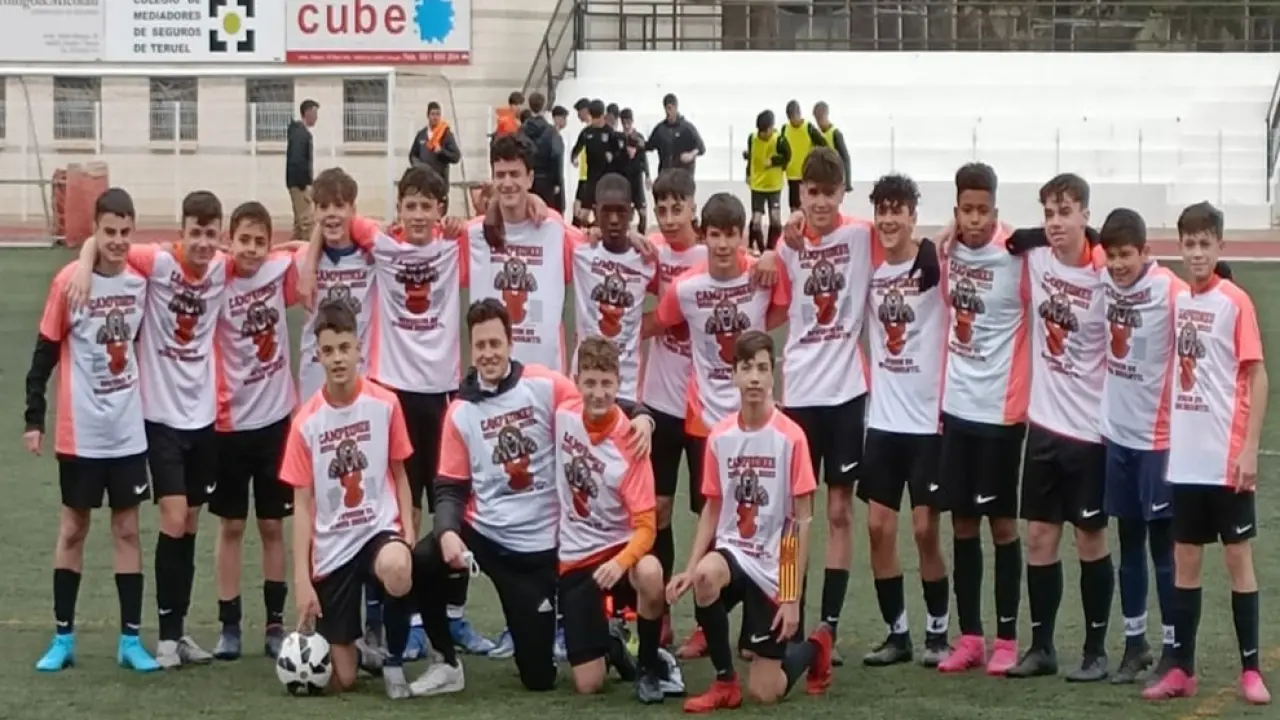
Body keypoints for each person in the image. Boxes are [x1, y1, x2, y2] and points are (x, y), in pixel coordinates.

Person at [408, 299, 654, 696]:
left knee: (538, 679)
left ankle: (605, 643)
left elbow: (596, 397)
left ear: (510, 343)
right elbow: (450, 485)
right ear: (471, 349)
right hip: (483, 532)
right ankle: (445, 661)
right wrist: (448, 530)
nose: (488, 353)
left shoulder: (542, 385)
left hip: (535, 551)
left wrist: (642, 414)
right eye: (480, 345)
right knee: (424, 557)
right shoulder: (460, 410)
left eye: (495, 343)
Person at [331, 166, 495, 657]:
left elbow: (503, 219)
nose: (419, 215)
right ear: (399, 209)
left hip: (443, 395)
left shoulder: (454, 244)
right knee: (400, 508)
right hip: (394, 393)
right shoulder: (383, 244)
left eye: (428, 206)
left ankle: (453, 615)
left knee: (454, 504)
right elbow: (338, 219)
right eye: (411, 205)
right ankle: (398, 620)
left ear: (441, 210)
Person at [69, 190, 232, 668]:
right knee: (174, 518)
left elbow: (268, 252)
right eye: (195, 233)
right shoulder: (157, 262)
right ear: (181, 232)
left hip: (204, 418)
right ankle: (165, 637)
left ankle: (179, 632)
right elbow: (105, 243)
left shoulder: (222, 268)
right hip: (160, 418)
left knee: (191, 523)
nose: (203, 243)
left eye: (211, 234)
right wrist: (83, 264)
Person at [26, 188, 160, 674]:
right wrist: (34, 419)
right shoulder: (69, 283)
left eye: (125, 232)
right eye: (109, 232)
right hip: (80, 434)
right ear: (96, 232)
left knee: (127, 530)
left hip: (127, 433)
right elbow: (44, 353)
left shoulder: (141, 283)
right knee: (73, 529)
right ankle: (63, 638)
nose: (118, 241)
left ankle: (130, 641)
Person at [645, 192, 784, 659]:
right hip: (707, 425)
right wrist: (610, 334)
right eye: (716, 235)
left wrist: (770, 254)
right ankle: (711, 623)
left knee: (769, 518)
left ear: (744, 236)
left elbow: (781, 309)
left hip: (759, 422)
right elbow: (660, 321)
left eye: (732, 235)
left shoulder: (762, 276)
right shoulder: (686, 288)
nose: (723, 245)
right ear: (705, 237)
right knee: (717, 522)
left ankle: (775, 620)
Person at [1145, 202, 1272, 706]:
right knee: (1186, 562)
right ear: (1180, 247)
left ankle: (1251, 671)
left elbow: (1257, 376)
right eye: (1189, 244)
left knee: (1238, 559)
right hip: (1186, 460)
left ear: (1220, 245)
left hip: (1226, 459)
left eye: (1205, 244)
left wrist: (1249, 449)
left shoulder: (1235, 302)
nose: (1196, 253)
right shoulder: (1179, 300)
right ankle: (1182, 669)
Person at [666, 330, 834, 711]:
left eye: (762, 368)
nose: (755, 378)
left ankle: (816, 646)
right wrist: (690, 568)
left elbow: (800, 522)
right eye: (747, 368)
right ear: (735, 375)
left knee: (766, 691)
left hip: (776, 564)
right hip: (734, 553)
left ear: (773, 374)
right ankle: (725, 682)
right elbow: (712, 508)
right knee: (706, 576)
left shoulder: (792, 437)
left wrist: (790, 597)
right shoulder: (720, 436)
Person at [773, 148, 885, 667]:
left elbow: (905, 237)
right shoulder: (787, 243)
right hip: (798, 394)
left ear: (843, 194)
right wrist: (773, 249)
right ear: (801, 194)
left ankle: (828, 627)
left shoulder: (861, 236)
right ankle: (788, 616)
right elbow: (773, 293)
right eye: (811, 193)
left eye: (829, 193)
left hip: (845, 393)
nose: (820, 203)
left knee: (840, 512)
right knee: (793, 518)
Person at [1005, 174, 1114, 682]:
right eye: (1048, 213)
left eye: (1065, 212)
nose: (1054, 223)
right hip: (1044, 427)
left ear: (1085, 216)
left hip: (1090, 434)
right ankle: (1042, 646)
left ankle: (1095, 650)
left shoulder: (1106, 273)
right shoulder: (1036, 257)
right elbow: (1002, 238)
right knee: (1039, 537)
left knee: (1090, 539)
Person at [282, 300, 417, 698]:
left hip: (377, 530)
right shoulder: (305, 423)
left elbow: (400, 473)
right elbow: (302, 505)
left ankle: (393, 662)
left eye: (344, 348)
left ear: (359, 348)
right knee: (342, 679)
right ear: (318, 356)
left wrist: (408, 532)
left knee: (397, 568)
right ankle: (359, 652)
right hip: (333, 548)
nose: (338, 358)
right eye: (328, 350)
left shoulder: (385, 404)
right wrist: (302, 580)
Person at [934, 163, 1026, 676]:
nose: (974, 219)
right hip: (957, 408)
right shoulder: (947, 251)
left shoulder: (1017, 254)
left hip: (1001, 412)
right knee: (963, 523)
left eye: (982, 210)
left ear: (995, 210)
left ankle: (1007, 638)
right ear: (956, 211)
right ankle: (970, 636)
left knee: (1002, 524)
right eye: (966, 210)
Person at [857, 174, 952, 668]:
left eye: (899, 210)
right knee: (877, 527)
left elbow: (971, 233)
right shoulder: (870, 274)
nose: (889, 219)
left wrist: (935, 241)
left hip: (927, 423)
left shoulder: (936, 267)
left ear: (914, 215)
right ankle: (898, 634)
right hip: (884, 421)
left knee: (924, 530)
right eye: (883, 210)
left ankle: (938, 631)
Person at [557, 335, 682, 702]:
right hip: (577, 556)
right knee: (588, 684)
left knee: (651, 572)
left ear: (618, 384)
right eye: (590, 383)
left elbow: (647, 528)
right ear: (576, 382)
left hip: (620, 552)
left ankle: (648, 667)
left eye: (606, 384)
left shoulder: (631, 441)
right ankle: (613, 646)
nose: (598, 393)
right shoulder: (562, 413)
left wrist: (620, 562)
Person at [1095, 208, 1183, 684]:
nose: (1117, 265)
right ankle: (1135, 645)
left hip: (1158, 440)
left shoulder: (1169, 289)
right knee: (1128, 541)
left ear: (1146, 252)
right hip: (1118, 436)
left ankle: (1174, 647)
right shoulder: (1104, 278)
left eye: (1126, 255)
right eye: (1110, 256)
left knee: (1163, 549)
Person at [209, 201, 299, 661]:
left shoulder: (278, 270)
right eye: (243, 239)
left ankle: (274, 623)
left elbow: (309, 247)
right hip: (229, 423)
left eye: (260, 241)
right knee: (230, 524)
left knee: (271, 525)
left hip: (276, 420)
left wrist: (292, 244)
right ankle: (229, 625)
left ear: (270, 244)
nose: (251, 249)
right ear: (229, 240)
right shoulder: (216, 278)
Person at [640, 169, 708, 646]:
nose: (668, 218)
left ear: (692, 207)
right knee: (659, 509)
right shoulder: (652, 251)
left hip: (706, 407)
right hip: (660, 402)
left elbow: (756, 270)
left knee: (711, 515)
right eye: (661, 209)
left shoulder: (712, 254)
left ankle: (708, 620)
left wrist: (768, 253)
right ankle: (660, 611)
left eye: (676, 208)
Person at [468, 134, 579, 377]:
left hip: (545, 377)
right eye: (500, 175)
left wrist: (635, 239)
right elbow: (423, 244)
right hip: (491, 376)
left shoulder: (554, 228)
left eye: (515, 174)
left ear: (530, 178)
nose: (507, 183)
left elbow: (599, 247)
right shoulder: (473, 234)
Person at [570, 173, 656, 414]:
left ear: (632, 213)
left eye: (621, 211)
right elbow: (547, 219)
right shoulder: (580, 252)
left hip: (626, 388)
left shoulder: (647, 259)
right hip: (584, 384)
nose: (615, 220)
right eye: (607, 212)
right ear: (595, 213)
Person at [296, 169, 377, 402]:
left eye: (339, 206)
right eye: (323, 207)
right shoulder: (301, 261)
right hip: (314, 373)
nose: (331, 213)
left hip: (359, 372)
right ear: (314, 212)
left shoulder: (372, 258)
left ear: (353, 210)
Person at [570, 99, 627, 227]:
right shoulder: (586, 132)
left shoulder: (610, 133)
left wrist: (613, 156)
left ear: (603, 116)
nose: (596, 121)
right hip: (591, 178)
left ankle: (601, 230)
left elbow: (620, 154)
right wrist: (574, 158)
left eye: (598, 118)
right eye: (593, 118)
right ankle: (591, 227)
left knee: (603, 211)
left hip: (606, 179)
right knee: (582, 215)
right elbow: (576, 149)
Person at [743, 110, 789, 254]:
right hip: (757, 185)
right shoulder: (752, 138)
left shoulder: (780, 140)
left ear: (771, 128)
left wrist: (774, 161)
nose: (762, 134)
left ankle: (771, 248)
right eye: (760, 131)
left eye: (765, 131)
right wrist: (748, 173)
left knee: (775, 220)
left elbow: (788, 157)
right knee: (756, 221)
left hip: (773, 186)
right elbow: (752, 158)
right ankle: (761, 249)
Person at [408, 102, 461, 210]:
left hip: (439, 184)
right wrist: (420, 167)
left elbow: (456, 156)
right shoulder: (421, 135)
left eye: (438, 114)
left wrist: (442, 151)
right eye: (433, 114)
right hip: (423, 186)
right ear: (428, 115)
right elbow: (413, 155)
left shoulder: (446, 134)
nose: (435, 117)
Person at [781, 100, 828, 214]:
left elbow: (823, 144)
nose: (793, 121)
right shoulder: (785, 129)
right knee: (794, 206)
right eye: (790, 119)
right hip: (792, 174)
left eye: (794, 117)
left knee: (805, 205)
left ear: (799, 114)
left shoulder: (808, 127)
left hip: (806, 173)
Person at [646, 93, 705, 175]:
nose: (668, 111)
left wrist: (691, 155)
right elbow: (649, 146)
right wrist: (636, 141)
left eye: (670, 108)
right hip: (666, 174)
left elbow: (701, 148)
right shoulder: (660, 129)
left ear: (676, 107)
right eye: (666, 108)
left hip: (683, 174)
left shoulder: (687, 128)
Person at [523, 93, 563, 214]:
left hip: (526, 178)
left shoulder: (521, 131)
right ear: (544, 106)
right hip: (546, 180)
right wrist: (557, 181)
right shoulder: (551, 132)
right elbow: (556, 155)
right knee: (546, 214)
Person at [287, 99, 319, 242]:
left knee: (299, 222)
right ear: (307, 113)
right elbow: (297, 159)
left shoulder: (299, 132)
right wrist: (304, 184)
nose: (316, 117)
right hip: (299, 184)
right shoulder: (301, 134)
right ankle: (308, 250)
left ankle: (293, 247)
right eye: (315, 113)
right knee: (306, 221)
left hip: (295, 182)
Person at [618, 109, 651, 235]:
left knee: (642, 211)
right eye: (624, 122)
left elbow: (644, 158)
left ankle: (642, 234)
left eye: (628, 121)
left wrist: (647, 175)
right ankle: (625, 236)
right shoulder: (619, 138)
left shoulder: (639, 137)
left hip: (636, 178)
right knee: (624, 211)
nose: (626, 125)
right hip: (623, 179)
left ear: (632, 121)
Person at [811, 102, 852, 192]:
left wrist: (847, 183)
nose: (818, 122)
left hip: (834, 180)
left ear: (826, 115)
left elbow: (846, 158)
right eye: (816, 119)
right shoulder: (817, 134)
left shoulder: (836, 134)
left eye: (820, 118)